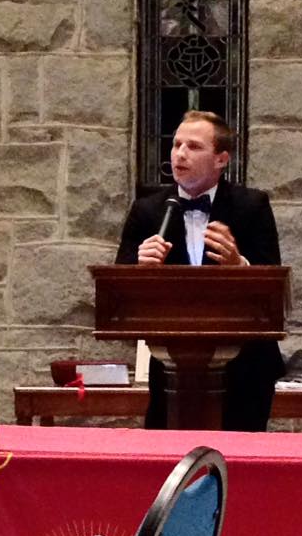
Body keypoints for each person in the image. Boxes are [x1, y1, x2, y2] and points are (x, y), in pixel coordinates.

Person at [116, 110, 285, 431]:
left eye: (193, 147)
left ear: (221, 159)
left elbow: (274, 288)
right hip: (170, 367)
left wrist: (239, 265)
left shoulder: (252, 206)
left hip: (245, 367)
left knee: (240, 470)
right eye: (176, 144)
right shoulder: (148, 210)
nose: (180, 153)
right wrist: (138, 268)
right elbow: (116, 293)